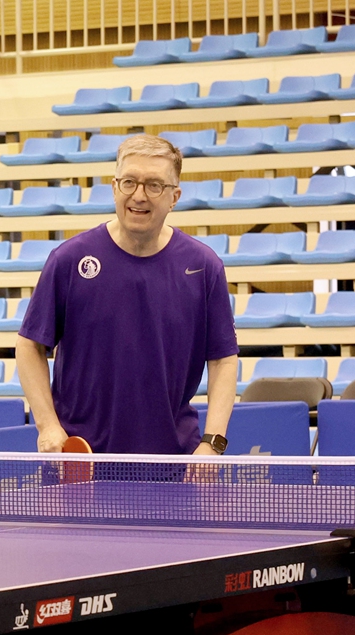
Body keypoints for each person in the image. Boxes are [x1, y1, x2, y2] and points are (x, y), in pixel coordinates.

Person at [16, 135, 239, 455]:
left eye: (154, 185)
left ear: (174, 196)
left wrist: (212, 443)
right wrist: (47, 425)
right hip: (82, 463)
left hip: (173, 463)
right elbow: (29, 346)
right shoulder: (69, 260)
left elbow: (222, 360)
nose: (139, 195)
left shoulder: (203, 267)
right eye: (129, 182)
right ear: (114, 187)